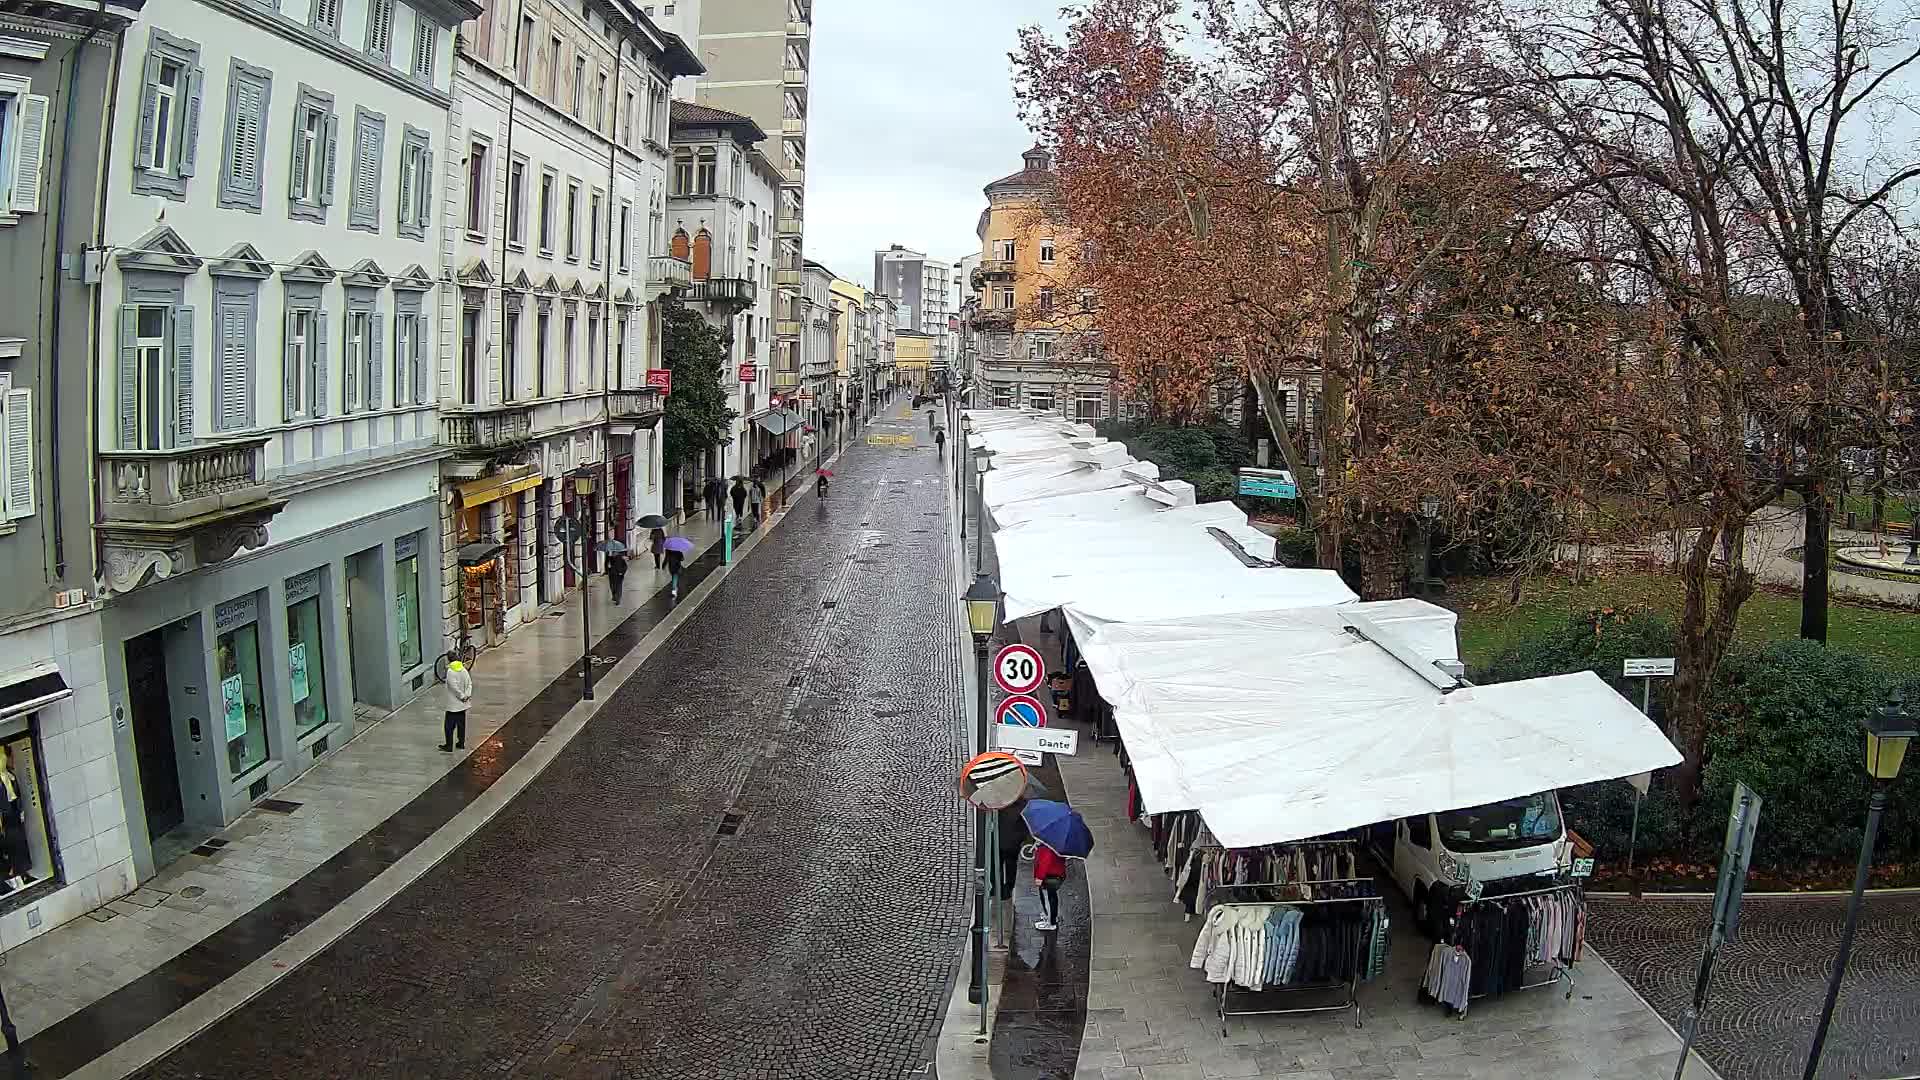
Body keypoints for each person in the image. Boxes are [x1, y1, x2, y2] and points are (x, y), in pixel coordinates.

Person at [1034, 840, 1067, 932]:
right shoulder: (1058, 844)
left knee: (1048, 899)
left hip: (1049, 876)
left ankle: (1050, 922)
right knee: (1052, 897)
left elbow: (1044, 862)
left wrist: (1039, 877)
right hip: (1057, 875)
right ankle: (1052, 917)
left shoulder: (1047, 846)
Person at [441, 659, 473, 752]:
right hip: (463, 705)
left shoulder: (451, 672)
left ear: (448, 659)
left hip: (453, 706)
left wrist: (462, 696)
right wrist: (467, 695)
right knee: (461, 725)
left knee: (449, 727)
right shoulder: (463, 669)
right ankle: (461, 743)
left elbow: (453, 686)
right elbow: (469, 683)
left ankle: (449, 745)